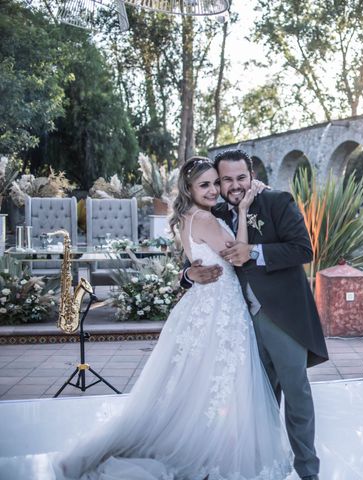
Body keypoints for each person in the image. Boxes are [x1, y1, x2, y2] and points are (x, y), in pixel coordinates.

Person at [54, 157, 292, 480]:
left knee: (197, 381)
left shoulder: (184, 217)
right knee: (219, 378)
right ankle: (211, 448)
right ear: (189, 188)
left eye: (214, 183)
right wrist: (245, 206)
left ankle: (204, 439)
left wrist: (190, 273)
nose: (213, 190)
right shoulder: (206, 220)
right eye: (204, 185)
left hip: (203, 304)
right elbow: (238, 252)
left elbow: (195, 259)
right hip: (220, 308)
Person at [181, 149, 329, 480]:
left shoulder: (275, 202)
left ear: (252, 176)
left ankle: (308, 471)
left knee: (295, 392)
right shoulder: (215, 211)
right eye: (226, 179)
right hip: (239, 321)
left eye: (241, 178)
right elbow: (194, 256)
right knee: (256, 395)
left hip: (281, 317)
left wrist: (255, 251)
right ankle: (265, 464)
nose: (234, 186)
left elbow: (303, 249)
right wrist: (189, 275)